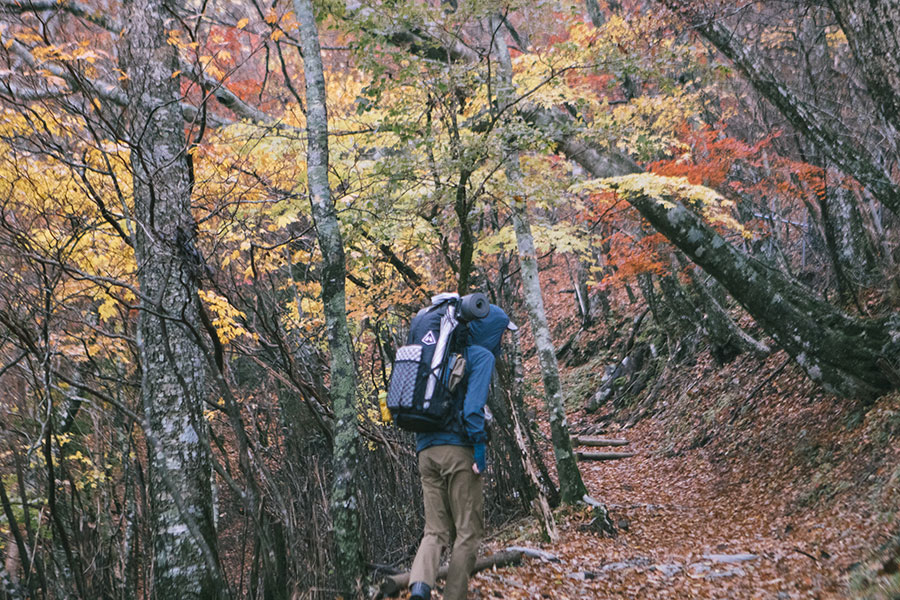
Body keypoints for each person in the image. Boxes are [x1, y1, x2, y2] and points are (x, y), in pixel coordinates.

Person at [408, 303, 516, 600]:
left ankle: (419, 589)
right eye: (501, 334)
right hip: (458, 453)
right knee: (467, 533)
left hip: (425, 452)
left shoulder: (437, 357)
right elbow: (472, 411)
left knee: (435, 532)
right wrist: (479, 453)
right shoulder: (480, 356)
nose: (502, 341)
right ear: (490, 330)